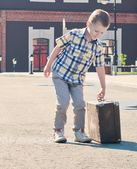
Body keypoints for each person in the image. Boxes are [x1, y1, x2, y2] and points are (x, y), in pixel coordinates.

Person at [44, 9, 110, 143]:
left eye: (102, 33)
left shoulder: (98, 47)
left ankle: (79, 132)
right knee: (63, 103)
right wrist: (48, 65)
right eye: (96, 31)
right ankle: (58, 131)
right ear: (88, 24)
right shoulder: (74, 34)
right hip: (60, 74)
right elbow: (58, 47)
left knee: (80, 105)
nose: (98, 35)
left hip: (77, 79)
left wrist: (103, 87)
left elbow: (99, 67)